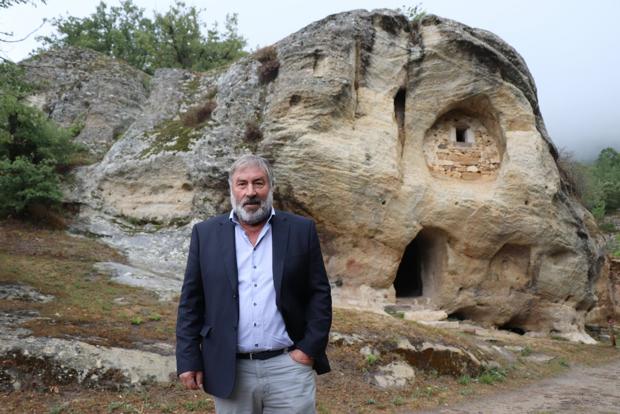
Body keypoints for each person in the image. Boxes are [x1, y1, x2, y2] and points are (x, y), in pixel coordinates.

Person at [176, 154, 332, 413]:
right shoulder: (205, 234)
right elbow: (191, 302)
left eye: (258, 183)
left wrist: (308, 350)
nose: (251, 192)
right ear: (232, 189)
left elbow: (319, 294)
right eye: (242, 184)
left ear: (271, 186)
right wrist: (188, 357)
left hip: (289, 367)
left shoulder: (300, 230)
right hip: (230, 370)